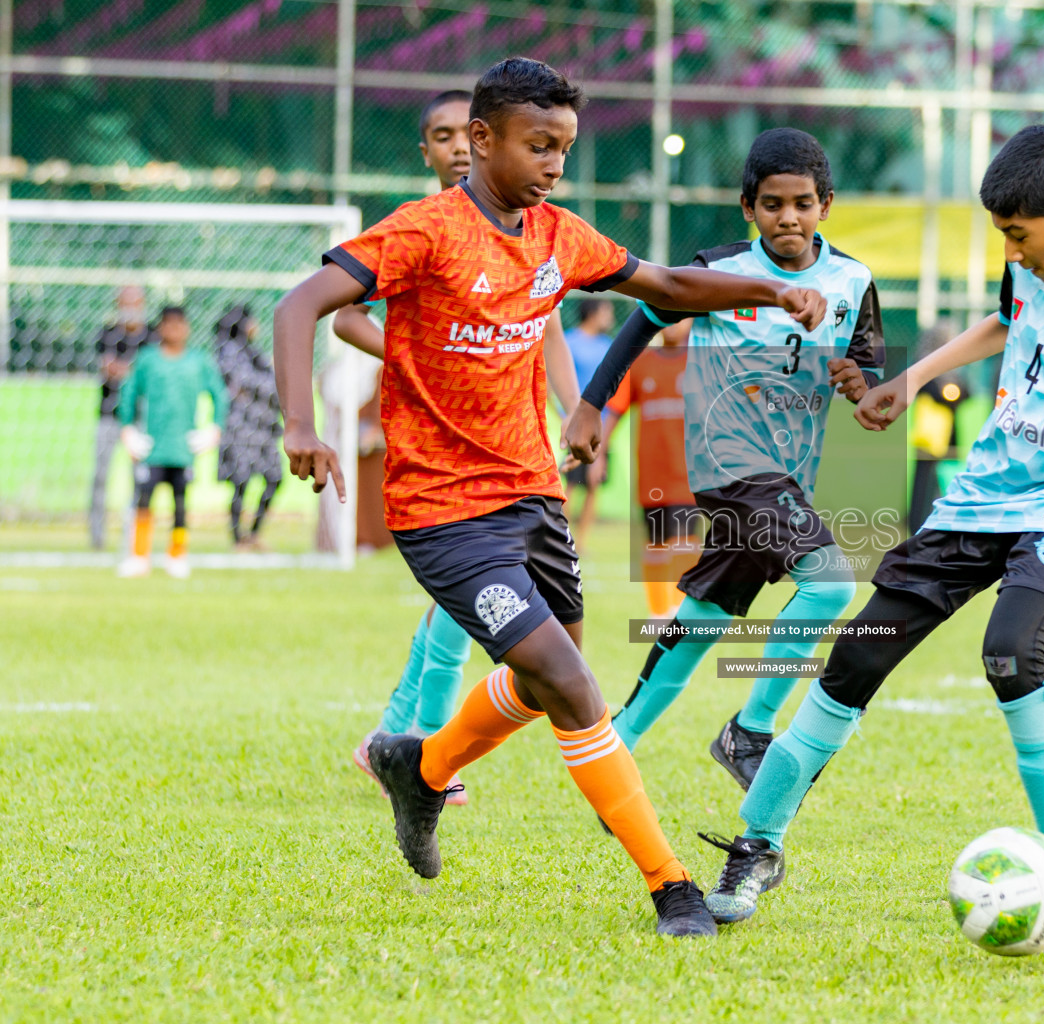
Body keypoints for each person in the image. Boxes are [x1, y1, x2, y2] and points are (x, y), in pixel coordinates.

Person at [272, 57, 826, 937]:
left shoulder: (560, 235)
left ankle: (418, 769)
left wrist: (771, 289)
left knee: (540, 674)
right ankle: (671, 885)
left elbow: (670, 287)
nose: (554, 163)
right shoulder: (424, 231)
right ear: (482, 141)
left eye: (564, 148)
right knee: (571, 683)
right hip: (443, 511)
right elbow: (304, 305)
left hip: (532, 495)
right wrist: (300, 423)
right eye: (539, 146)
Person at [697, 125, 1044, 954]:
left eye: (1021, 237)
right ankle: (756, 846)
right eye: (1005, 238)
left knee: (1011, 650)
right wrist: (906, 384)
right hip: (978, 499)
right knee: (856, 658)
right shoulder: (1029, 265)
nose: (1012, 252)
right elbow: (999, 320)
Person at [566, 127, 883, 788]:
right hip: (728, 464)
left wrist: (861, 385)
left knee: (705, 614)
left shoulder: (854, 281)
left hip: (790, 473)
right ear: (749, 207)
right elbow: (641, 323)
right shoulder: (718, 272)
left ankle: (614, 748)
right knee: (829, 584)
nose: (787, 217)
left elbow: (863, 368)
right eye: (772, 204)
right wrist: (592, 404)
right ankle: (751, 730)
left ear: (826, 203)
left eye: (801, 202)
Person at [333, 87, 583, 810]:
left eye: (457, 132)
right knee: (459, 615)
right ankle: (426, 755)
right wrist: (415, 357)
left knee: (450, 612)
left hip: (512, 451)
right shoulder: (419, 232)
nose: (450, 147)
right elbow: (343, 315)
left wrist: (574, 406)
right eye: (437, 136)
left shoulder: (531, 227)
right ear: (433, 149)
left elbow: (551, 327)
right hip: (446, 464)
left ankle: (389, 735)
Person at [599, 317, 701, 620]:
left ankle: (682, 610)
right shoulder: (641, 363)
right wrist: (599, 452)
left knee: (684, 540)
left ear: (692, 322)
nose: (673, 324)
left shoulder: (703, 363)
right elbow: (614, 411)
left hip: (690, 471)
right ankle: (658, 611)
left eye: (680, 317)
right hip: (652, 471)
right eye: (669, 316)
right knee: (656, 542)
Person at [116, 307, 227, 579]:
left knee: (180, 503)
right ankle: (139, 555)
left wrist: (214, 429)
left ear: (187, 328)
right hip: (152, 446)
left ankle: (177, 555)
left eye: (180, 324)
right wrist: (128, 430)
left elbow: (219, 395)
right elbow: (128, 392)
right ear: (161, 328)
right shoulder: (147, 360)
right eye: (169, 324)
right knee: (144, 500)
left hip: (182, 449)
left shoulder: (198, 361)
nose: (175, 330)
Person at [213, 305, 284, 550]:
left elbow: (272, 385)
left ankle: (253, 533)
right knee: (240, 481)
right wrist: (271, 385)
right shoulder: (228, 350)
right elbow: (252, 382)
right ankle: (237, 539)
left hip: (265, 427)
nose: (257, 326)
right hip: (241, 427)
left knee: (275, 478)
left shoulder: (254, 352)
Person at [89, 285, 150, 550]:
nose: (130, 308)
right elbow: (109, 368)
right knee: (100, 477)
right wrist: (133, 372)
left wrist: (127, 372)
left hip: (139, 420)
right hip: (108, 416)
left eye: (134, 302)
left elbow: (148, 375)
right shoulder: (108, 334)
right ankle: (97, 536)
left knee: (139, 479)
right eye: (124, 302)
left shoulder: (152, 336)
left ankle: (132, 536)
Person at [563, 297, 616, 551]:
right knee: (572, 484)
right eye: (607, 310)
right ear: (593, 312)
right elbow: (555, 382)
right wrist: (567, 414)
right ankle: (563, 537)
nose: (611, 316)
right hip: (578, 425)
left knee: (594, 484)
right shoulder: (568, 341)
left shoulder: (609, 346)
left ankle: (581, 543)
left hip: (604, 428)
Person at [908, 320, 970, 533]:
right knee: (923, 484)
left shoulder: (954, 367)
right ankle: (916, 524)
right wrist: (950, 393)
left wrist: (951, 392)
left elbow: (964, 392)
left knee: (949, 481)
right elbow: (937, 393)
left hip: (950, 435)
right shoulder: (922, 364)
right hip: (930, 435)